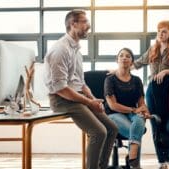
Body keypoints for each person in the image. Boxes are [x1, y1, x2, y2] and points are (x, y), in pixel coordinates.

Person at [44, 10, 118, 169]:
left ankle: (101, 166)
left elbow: (81, 83)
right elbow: (61, 89)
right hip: (61, 99)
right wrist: (89, 103)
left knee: (112, 129)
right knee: (99, 133)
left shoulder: (76, 50)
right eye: (84, 22)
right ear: (73, 24)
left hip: (76, 97)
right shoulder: (60, 49)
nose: (88, 26)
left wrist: (93, 100)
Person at [133, 20, 169, 169]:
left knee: (168, 122)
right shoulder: (153, 49)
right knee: (156, 122)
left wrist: (165, 71)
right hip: (153, 92)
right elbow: (137, 63)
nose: (161, 34)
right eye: (159, 31)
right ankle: (163, 162)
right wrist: (118, 70)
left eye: (164, 31)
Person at [104, 48, 150, 169]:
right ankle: (135, 163)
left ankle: (132, 158)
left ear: (132, 62)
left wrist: (144, 111)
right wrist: (134, 110)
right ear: (117, 60)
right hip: (113, 114)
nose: (124, 58)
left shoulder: (137, 80)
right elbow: (112, 105)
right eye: (121, 56)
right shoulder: (110, 79)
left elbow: (141, 104)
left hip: (131, 114)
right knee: (135, 130)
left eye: (128, 56)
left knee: (139, 120)